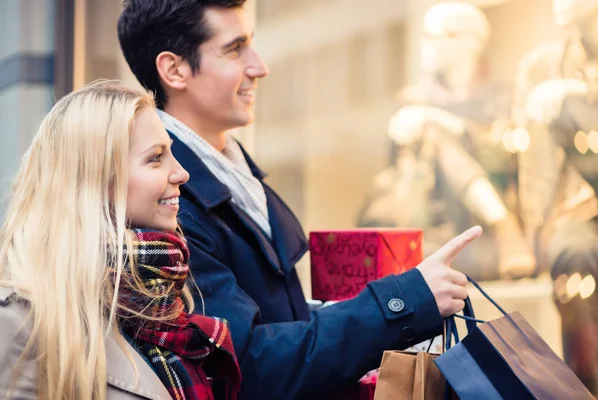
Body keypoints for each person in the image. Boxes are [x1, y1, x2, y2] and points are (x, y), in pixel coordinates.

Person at [118, 1, 482, 398]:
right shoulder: (167, 206)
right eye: (234, 49)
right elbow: (247, 363)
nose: (259, 66)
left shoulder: (235, 177)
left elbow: (280, 321)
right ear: (174, 69)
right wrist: (402, 301)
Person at [0, 81, 241, 400]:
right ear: (96, 180)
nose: (181, 173)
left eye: (171, 153)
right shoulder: (19, 321)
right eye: (156, 158)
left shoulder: (164, 296)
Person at [358, 1, 534, 282]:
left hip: (483, 240)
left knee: (434, 129)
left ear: (473, 43)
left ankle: (502, 222)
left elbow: (507, 153)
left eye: (445, 35)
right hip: (431, 232)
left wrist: (441, 121)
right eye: (426, 35)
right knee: (432, 133)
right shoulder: (412, 101)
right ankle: (501, 220)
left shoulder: (501, 99)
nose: (428, 44)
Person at [513, 0, 598, 393]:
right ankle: (586, 388)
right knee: (572, 253)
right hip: (581, 215)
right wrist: (536, 229)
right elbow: (532, 160)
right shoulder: (544, 66)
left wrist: (582, 95)